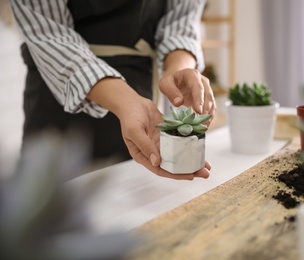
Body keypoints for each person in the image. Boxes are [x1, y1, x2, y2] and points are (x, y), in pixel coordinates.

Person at [10, 0, 216, 180]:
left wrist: (180, 69)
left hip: (139, 93)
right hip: (58, 94)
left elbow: (182, 19)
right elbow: (49, 31)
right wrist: (125, 100)